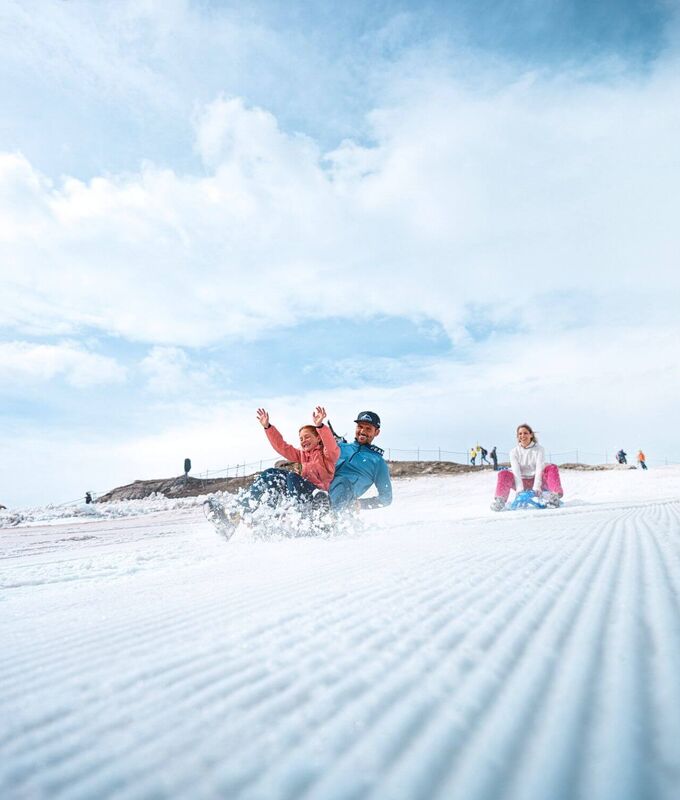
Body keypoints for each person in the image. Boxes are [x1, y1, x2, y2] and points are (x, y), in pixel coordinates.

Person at [205, 406, 339, 532]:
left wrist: (320, 426)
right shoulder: (301, 455)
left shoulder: (327, 454)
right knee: (270, 475)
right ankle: (235, 515)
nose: (303, 441)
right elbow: (282, 447)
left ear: (318, 438)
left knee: (292, 477)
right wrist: (268, 427)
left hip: (317, 497)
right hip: (299, 492)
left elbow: (331, 445)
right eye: (301, 438)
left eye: (307, 437)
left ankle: (305, 515)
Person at [490, 423, 564, 511]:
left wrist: (537, 487)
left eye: (525, 433)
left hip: (539, 481)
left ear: (531, 435)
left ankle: (555, 497)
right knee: (503, 473)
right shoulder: (514, 452)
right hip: (522, 481)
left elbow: (539, 468)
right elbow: (516, 471)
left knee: (552, 467)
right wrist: (519, 489)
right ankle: (500, 501)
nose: (522, 436)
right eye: (520, 434)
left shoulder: (539, 449)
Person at [328, 411, 392, 510]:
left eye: (368, 428)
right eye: (360, 426)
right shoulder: (340, 447)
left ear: (376, 432)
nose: (362, 431)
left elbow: (386, 498)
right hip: (321, 493)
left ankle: (328, 522)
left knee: (342, 481)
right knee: (295, 477)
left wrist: (360, 504)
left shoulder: (378, 462)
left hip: (341, 504)